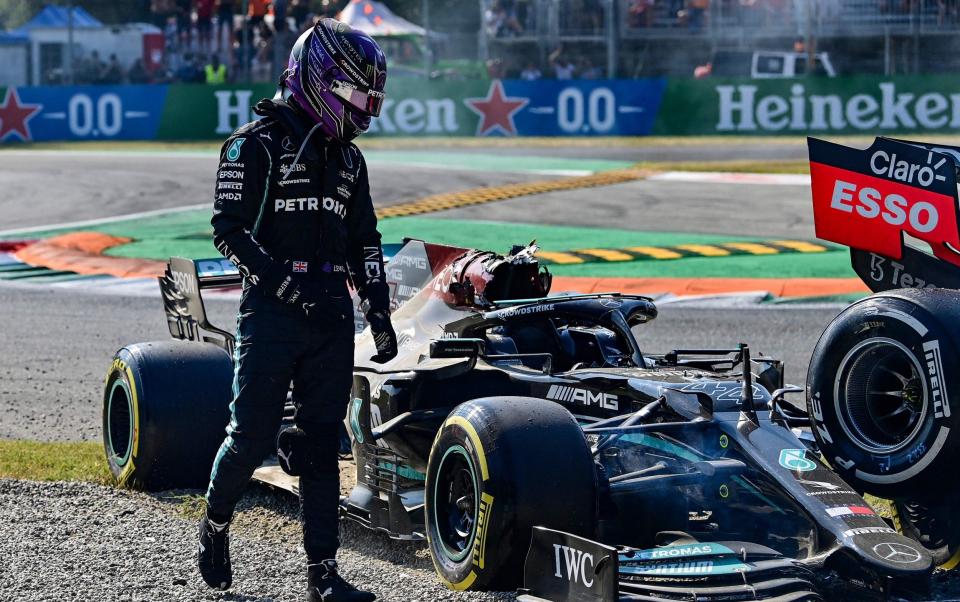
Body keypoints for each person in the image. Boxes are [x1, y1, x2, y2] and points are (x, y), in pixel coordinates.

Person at [198, 18, 396, 602]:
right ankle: (214, 525)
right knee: (251, 432)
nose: (366, 108)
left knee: (317, 443)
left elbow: (367, 241)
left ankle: (323, 576)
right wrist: (284, 286)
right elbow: (226, 231)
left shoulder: (351, 162)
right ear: (322, 79)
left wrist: (379, 312)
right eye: (359, 93)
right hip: (271, 313)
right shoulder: (251, 143)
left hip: (332, 314)